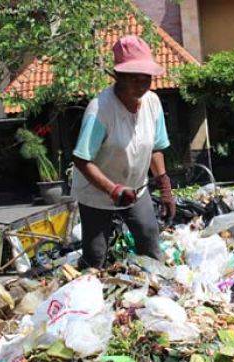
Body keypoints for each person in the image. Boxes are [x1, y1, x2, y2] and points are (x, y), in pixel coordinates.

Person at [71, 35, 176, 269]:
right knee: (96, 256)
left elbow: (156, 148)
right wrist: (113, 189)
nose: (142, 82)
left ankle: (151, 294)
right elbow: (81, 159)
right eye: (134, 77)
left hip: (136, 190)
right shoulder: (100, 110)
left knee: (150, 242)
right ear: (118, 76)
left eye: (146, 77)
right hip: (97, 194)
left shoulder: (153, 102)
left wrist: (164, 184)